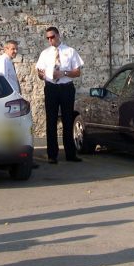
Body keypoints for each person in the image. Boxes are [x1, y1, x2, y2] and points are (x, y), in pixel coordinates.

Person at [35, 26, 84, 165]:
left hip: (66, 87)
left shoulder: (70, 51)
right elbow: (39, 72)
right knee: (51, 120)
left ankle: (70, 153)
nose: (50, 40)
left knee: (68, 119)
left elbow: (77, 72)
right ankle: (52, 154)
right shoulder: (45, 53)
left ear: (58, 35)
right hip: (51, 88)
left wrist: (64, 73)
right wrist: (42, 75)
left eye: (52, 37)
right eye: (48, 38)